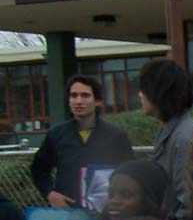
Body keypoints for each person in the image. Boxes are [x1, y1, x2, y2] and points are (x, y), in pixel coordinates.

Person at [30, 74, 133, 209]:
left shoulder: (115, 136)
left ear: (98, 101)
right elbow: (39, 169)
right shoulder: (57, 134)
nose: (79, 101)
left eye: (85, 95)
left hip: (105, 213)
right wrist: (50, 193)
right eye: (74, 96)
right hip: (68, 212)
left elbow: (130, 173)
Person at [138, 59, 193, 220]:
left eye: (145, 89)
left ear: (159, 92)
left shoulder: (183, 137)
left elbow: (186, 200)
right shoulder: (169, 131)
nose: (140, 95)